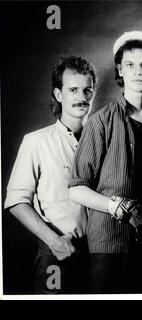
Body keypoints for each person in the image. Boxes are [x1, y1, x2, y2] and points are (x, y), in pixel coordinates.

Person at [68, 31, 142, 293]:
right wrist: (119, 206)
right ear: (120, 70)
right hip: (110, 243)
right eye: (130, 65)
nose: (137, 72)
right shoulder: (101, 122)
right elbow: (76, 188)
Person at [4, 56, 97, 293]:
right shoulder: (36, 142)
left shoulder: (103, 142)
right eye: (73, 90)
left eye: (87, 90)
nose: (81, 97)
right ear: (58, 94)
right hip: (58, 253)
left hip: (100, 254)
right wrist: (55, 243)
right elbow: (16, 202)